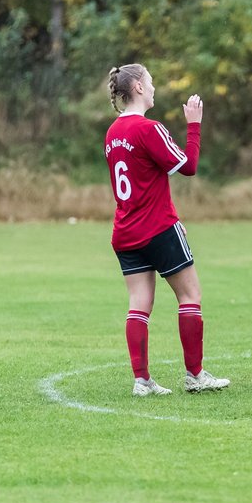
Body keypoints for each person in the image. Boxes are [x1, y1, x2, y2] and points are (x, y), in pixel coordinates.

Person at [103, 63, 230, 397]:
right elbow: (187, 167)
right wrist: (194, 126)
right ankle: (195, 375)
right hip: (157, 228)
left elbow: (142, 181)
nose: (155, 87)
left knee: (138, 303)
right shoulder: (149, 128)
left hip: (125, 230)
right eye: (152, 81)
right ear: (139, 88)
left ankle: (141, 380)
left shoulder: (113, 132)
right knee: (190, 297)